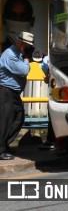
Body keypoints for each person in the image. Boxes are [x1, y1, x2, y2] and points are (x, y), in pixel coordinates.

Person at [0, 31, 34, 160]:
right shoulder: (10, 54)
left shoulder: (19, 54)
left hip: (13, 93)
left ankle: (4, 145)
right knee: (5, 122)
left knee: (18, 118)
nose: (25, 46)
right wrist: (27, 60)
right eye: (24, 44)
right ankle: (1, 150)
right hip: (6, 91)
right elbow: (24, 70)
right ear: (19, 42)